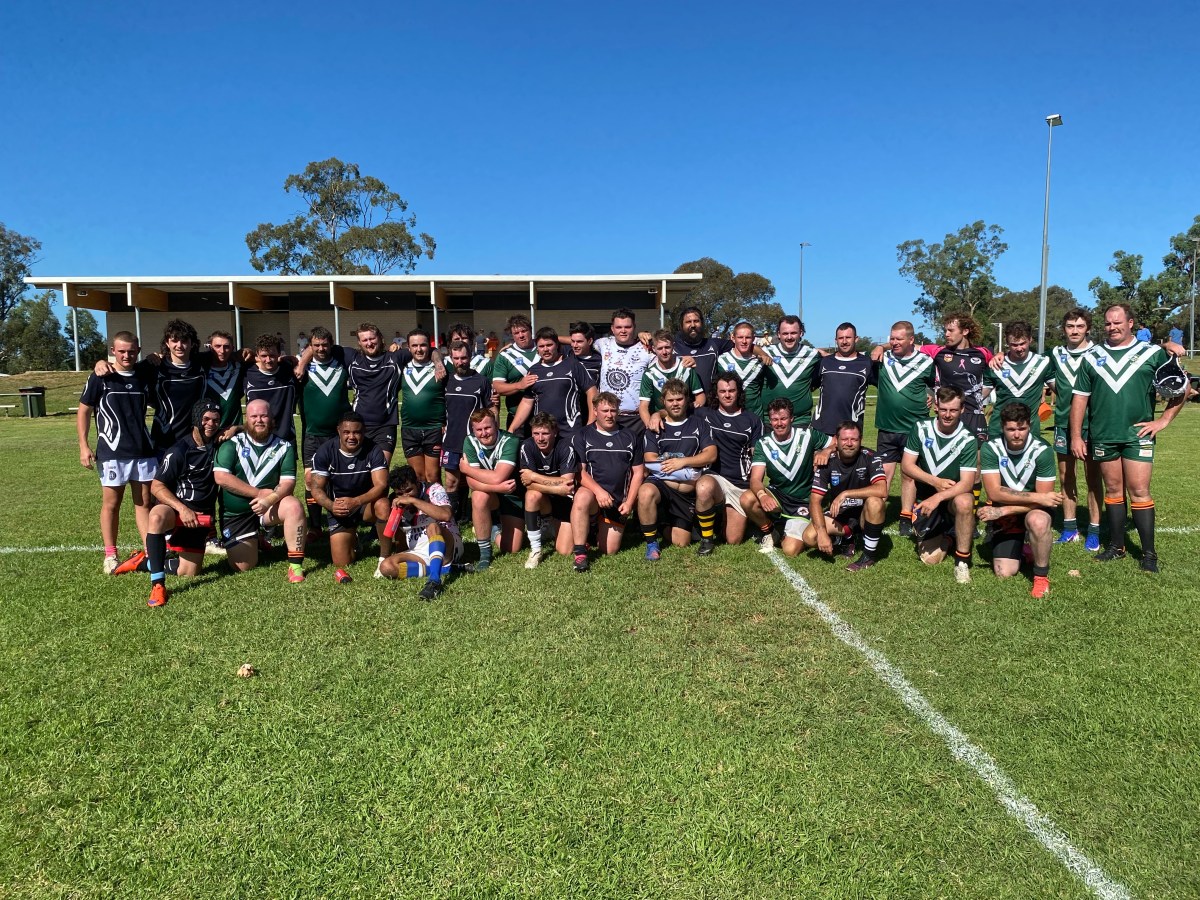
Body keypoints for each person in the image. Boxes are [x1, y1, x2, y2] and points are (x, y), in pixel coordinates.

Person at [1070, 304, 1188, 572]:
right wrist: (1076, 436)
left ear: (1130, 323)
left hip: (1138, 435)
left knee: (1139, 491)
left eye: (1117, 322)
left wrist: (1163, 420)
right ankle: (1117, 547)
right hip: (1103, 434)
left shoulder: (1152, 353)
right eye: (1108, 323)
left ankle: (1149, 554)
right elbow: (1080, 399)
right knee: (1113, 490)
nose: (1112, 327)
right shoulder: (1092, 357)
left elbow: (1182, 387)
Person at [78, 331, 158, 574]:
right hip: (112, 452)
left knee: (144, 503)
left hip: (143, 450)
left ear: (138, 351)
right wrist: (83, 445)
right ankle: (110, 555)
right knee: (112, 504)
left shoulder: (143, 374)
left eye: (131, 351)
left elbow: (162, 357)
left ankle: (150, 553)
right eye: (121, 351)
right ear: (113, 351)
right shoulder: (101, 376)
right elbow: (84, 410)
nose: (126, 355)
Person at [213, 399, 307, 581]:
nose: (259, 420)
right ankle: (256, 538)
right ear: (246, 419)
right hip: (237, 514)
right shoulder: (232, 444)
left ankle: (295, 566)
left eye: (264, 416)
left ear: (272, 418)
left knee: (293, 506)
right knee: (244, 566)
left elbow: (288, 483)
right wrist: (258, 494)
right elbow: (221, 477)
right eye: (254, 416)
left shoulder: (284, 446)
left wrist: (268, 500)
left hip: (268, 508)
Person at [142, 400, 223, 607]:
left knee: (189, 572)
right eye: (205, 419)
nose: (210, 424)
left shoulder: (219, 444)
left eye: (215, 420)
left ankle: (145, 562)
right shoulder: (179, 450)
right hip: (176, 511)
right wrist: (182, 508)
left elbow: (247, 429)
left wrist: (235, 429)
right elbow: (156, 486)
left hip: (199, 519)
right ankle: (158, 585)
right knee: (156, 516)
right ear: (196, 419)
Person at [978, 402, 1062, 598]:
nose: (1017, 434)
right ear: (1002, 427)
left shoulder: (1042, 450)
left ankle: (1040, 577)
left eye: (1022, 429)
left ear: (1029, 426)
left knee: (1038, 521)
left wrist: (1004, 510)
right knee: (1004, 572)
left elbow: (1044, 503)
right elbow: (994, 493)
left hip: (1030, 510)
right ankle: (1025, 549)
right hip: (1009, 507)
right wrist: (1039, 497)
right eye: (1011, 429)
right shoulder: (991, 448)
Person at [1037, 309, 1103, 550]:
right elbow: (1025, 359)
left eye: (1080, 326)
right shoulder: (1054, 354)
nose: (1075, 331)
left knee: (1093, 478)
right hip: (1064, 423)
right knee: (1066, 477)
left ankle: (1094, 530)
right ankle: (1069, 528)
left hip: (1093, 425)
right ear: (1063, 329)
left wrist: (1167, 345)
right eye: (1070, 326)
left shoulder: (1100, 353)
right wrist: (1000, 355)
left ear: (1088, 328)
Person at [901, 386, 978, 583]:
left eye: (953, 410)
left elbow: (967, 483)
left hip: (951, 498)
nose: (947, 414)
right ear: (936, 406)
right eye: (943, 409)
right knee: (930, 559)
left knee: (965, 501)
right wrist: (935, 482)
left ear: (962, 410)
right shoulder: (921, 428)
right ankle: (951, 535)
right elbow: (907, 465)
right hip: (926, 499)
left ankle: (962, 562)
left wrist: (939, 496)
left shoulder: (968, 438)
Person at [741, 397, 832, 557]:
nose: (779, 423)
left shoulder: (807, 435)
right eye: (774, 419)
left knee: (790, 550)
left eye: (783, 418)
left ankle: (796, 524)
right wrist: (762, 496)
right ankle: (771, 531)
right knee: (747, 499)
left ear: (792, 419)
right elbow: (755, 479)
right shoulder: (764, 443)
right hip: (778, 496)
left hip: (803, 501)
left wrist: (826, 451)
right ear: (770, 421)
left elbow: (837, 442)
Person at [637, 379, 718, 558]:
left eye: (679, 399)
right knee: (645, 492)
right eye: (671, 400)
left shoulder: (699, 424)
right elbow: (650, 458)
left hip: (687, 493)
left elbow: (711, 454)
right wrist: (673, 461)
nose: (675, 404)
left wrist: (683, 461)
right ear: (663, 402)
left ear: (687, 400)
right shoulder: (655, 427)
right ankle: (651, 544)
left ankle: (662, 523)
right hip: (663, 486)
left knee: (681, 542)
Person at [870, 320, 936, 536]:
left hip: (914, 429)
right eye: (892, 338)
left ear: (911, 340)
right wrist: (880, 346)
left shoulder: (926, 362)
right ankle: (875, 515)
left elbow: (934, 386)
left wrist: (931, 396)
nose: (894, 342)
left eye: (899, 339)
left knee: (909, 475)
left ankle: (906, 516)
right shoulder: (883, 359)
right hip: (887, 429)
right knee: (883, 475)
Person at [569, 391, 646, 571]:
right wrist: (599, 492)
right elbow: (580, 472)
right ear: (595, 411)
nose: (609, 415)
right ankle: (580, 554)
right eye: (605, 411)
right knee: (582, 497)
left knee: (609, 550)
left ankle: (593, 529)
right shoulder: (583, 435)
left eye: (613, 410)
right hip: (593, 496)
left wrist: (629, 502)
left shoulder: (630, 436)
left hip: (616, 502)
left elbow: (638, 473)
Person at [309, 412, 389, 584]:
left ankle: (384, 556)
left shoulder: (374, 449)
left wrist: (357, 501)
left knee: (383, 504)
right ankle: (354, 539)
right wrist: (331, 506)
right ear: (338, 431)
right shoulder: (325, 451)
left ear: (364, 431)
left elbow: (381, 485)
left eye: (357, 432)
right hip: (340, 508)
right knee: (342, 562)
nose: (351, 437)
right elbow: (316, 488)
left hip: (364, 504)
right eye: (346, 432)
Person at [802, 421, 887, 571]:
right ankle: (847, 537)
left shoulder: (871, 457)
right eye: (844, 439)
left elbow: (882, 490)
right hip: (840, 515)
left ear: (860, 440)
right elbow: (815, 500)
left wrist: (845, 494)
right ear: (836, 440)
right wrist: (821, 533)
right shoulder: (827, 461)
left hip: (864, 515)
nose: (849, 443)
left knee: (876, 502)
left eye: (854, 439)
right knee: (809, 537)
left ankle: (868, 556)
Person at [694, 371, 764, 547]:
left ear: (738, 392)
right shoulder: (703, 414)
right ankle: (707, 540)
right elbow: (675, 411)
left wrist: (755, 487)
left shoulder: (752, 420)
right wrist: (657, 415)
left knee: (733, 540)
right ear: (716, 393)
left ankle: (724, 516)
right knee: (703, 487)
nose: (727, 395)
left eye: (731, 390)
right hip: (715, 478)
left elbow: (758, 457)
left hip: (739, 484)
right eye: (722, 391)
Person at [297, 326, 351, 538]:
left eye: (325, 345)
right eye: (316, 345)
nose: (321, 349)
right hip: (313, 435)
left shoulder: (342, 361)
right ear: (310, 346)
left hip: (339, 434)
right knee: (311, 480)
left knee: (339, 478)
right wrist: (302, 362)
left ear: (331, 344)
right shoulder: (301, 368)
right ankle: (315, 526)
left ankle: (340, 519)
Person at [378, 466, 462, 600]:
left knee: (432, 526)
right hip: (419, 551)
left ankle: (434, 581)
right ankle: (447, 569)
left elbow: (446, 515)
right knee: (386, 567)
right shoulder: (396, 500)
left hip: (448, 545)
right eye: (400, 493)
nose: (405, 496)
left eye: (409, 490)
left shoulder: (433, 489)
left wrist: (413, 501)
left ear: (417, 483)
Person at [460, 408, 524, 570]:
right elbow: (472, 483)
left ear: (496, 424)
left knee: (512, 548)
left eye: (487, 428)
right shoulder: (470, 441)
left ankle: (494, 529)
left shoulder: (510, 440)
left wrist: (467, 469)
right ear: (473, 430)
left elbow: (498, 477)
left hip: (512, 496)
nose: (483, 433)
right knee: (478, 496)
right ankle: (485, 554)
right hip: (496, 492)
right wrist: (497, 488)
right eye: (479, 430)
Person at [506, 326, 597, 441]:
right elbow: (527, 402)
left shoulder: (573, 365)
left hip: (569, 433)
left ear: (557, 345)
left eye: (549, 345)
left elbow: (592, 391)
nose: (545, 349)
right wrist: (512, 428)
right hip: (543, 435)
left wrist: (590, 424)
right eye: (541, 346)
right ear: (537, 348)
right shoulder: (534, 370)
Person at [918, 314, 993, 443]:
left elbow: (999, 369)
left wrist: (1001, 354)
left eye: (951, 330)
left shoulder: (983, 353)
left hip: (974, 417)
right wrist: (882, 347)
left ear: (965, 331)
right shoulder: (938, 351)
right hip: (948, 415)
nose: (946, 334)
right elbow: (906, 346)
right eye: (945, 330)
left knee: (977, 454)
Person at [519, 413, 581, 568]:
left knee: (564, 550)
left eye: (545, 433)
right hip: (545, 498)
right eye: (536, 433)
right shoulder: (527, 446)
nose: (540, 438)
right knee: (531, 495)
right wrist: (557, 489)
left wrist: (534, 476)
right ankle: (536, 550)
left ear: (555, 432)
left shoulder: (566, 447)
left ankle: (552, 524)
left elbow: (567, 483)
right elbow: (527, 484)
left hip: (564, 501)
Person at [442, 340, 494, 522]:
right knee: (451, 481)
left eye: (464, 358)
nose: (460, 362)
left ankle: (469, 514)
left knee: (472, 480)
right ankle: (452, 518)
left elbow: (491, 409)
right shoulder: (445, 380)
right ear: (451, 358)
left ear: (470, 357)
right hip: (450, 440)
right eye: (456, 358)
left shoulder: (481, 381)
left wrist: (491, 433)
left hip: (473, 441)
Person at [593, 308, 656, 436]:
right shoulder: (602, 343)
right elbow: (579, 343)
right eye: (619, 327)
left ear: (634, 327)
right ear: (612, 328)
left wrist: (687, 359)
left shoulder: (647, 349)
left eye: (627, 327)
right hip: (608, 417)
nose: (623, 331)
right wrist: (554, 339)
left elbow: (668, 355)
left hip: (636, 419)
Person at [983, 321, 1051, 439]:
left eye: (1022, 343)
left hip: (1030, 432)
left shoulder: (1043, 363)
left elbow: (1062, 391)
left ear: (1030, 339)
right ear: (1007, 342)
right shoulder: (995, 365)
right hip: (998, 431)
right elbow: (979, 396)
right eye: (1014, 345)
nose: (1019, 348)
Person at [399, 328, 448, 486]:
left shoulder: (442, 367)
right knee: (418, 477)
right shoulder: (402, 366)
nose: (419, 349)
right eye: (415, 346)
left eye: (423, 345)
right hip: (409, 429)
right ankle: (422, 503)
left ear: (429, 346)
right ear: (408, 347)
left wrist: (438, 361)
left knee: (433, 476)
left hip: (434, 429)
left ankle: (438, 502)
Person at [811, 322, 876, 438]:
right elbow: (808, 387)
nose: (844, 341)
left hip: (851, 431)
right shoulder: (824, 362)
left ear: (856, 339)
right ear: (836, 340)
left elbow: (886, 388)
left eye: (848, 337)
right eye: (841, 338)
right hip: (822, 429)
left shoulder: (867, 363)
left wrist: (882, 347)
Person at [760, 316, 822, 426]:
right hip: (770, 420)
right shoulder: (765, 353)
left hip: (801, 420)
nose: (789, 337)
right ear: (778, 334)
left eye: (793, 333)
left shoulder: (812, 355)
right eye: (785, 333)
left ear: (801, 333)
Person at [639, 329, 705, 432]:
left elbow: (700, 396)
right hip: (662, 424)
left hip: (686, 420)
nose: (664, 352)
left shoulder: (686, 367)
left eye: (667, 347)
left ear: (673, 346)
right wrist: (650, 426)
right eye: (660, 348)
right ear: (654, 349)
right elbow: (643, 406)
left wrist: (690, 406)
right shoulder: (649, 374)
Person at [243, 332, 300, 443]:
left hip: (286, 438)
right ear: (257, 355)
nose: (268, 360)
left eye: (272, 355)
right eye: (264, 356)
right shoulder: (246, 372)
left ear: (279, 353)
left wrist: (296, 362)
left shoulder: (289, 368)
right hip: (256, 439)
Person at [491, 315, 540, 439]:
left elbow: (572, 340)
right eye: (516, 333)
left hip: (546, 418)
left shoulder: (544, 347)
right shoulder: (505, 356)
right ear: (512, 335)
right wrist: (519, 385)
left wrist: (552, 337)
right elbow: (498, 386)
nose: (521, 335)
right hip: (518, 420)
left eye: (524, 331)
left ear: (531, 330)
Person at [673, 306, 733, 401]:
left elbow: (742, 345)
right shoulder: (672, 347)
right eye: (688, 322)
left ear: (702, 323)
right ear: (681, 326)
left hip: (710, 405)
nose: (693, 325)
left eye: (696, 321)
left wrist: (759, 353)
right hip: (681, 406)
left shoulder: (714, 344)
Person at [717, 322, 768, 420]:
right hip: (728, 418)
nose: (744, 341)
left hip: (755, 417)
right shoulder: (721, 360)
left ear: (753, 338)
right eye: (740, 337)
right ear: (733, 338)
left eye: (748, 337)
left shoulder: (761, 362)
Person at [203, 330, 248, 437]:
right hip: (207, 432)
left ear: (233, 348)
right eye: (217, 346)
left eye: (226, 347)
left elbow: (262, 359)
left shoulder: (240, 367)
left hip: (234, 433)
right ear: (210, 347)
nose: (222, 351)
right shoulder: (200, 370)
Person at [567, 321, 603, 387]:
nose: (574, 345)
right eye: (573, 341)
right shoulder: (567, 355)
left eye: (579, 342)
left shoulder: (600, 361)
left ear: (590, 341)